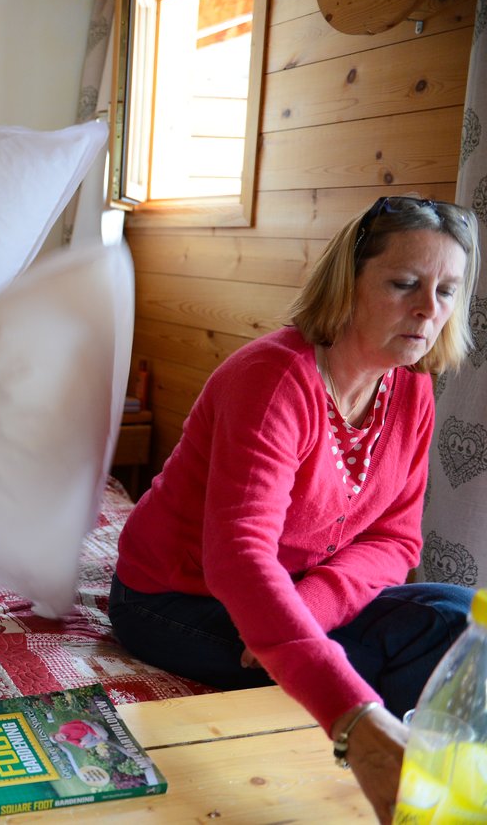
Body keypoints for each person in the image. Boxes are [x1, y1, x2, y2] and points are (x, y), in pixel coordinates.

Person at [108, 196, 480, 824]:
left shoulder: (411, 389)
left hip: (298, 587)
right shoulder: (274, 378)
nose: (428, 309)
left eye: (446, 291)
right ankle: (379, 764)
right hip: (175, 597)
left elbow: (395, 541)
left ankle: (418, 785)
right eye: (404, 284)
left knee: (460, 620)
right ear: (348, 282)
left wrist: (309, 609)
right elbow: (239, 560)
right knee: (384, 656)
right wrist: (353, 715)